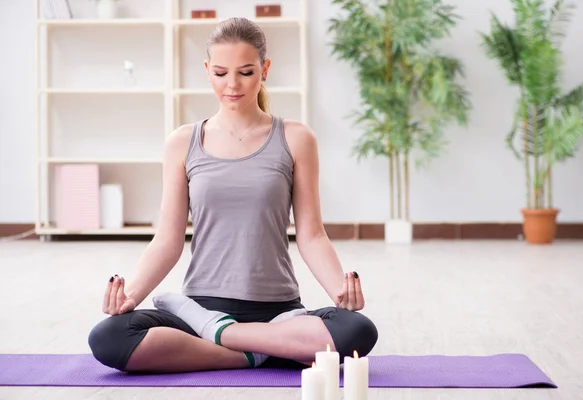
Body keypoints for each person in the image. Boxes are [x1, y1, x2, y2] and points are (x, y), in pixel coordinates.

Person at [88, 17, 378, 373]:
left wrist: (339, 289)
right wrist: (130, 293)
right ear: (207, 70)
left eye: (245, 72)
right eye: (221, 73)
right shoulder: (183, 141)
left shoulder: (296, 137)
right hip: (201, 308)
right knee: (109, 338)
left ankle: (223, 338)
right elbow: (167, 239)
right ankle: (262, 350)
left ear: (264, 69)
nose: (232, 85)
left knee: (357, 331)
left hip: (278, 310)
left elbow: (312, 234)